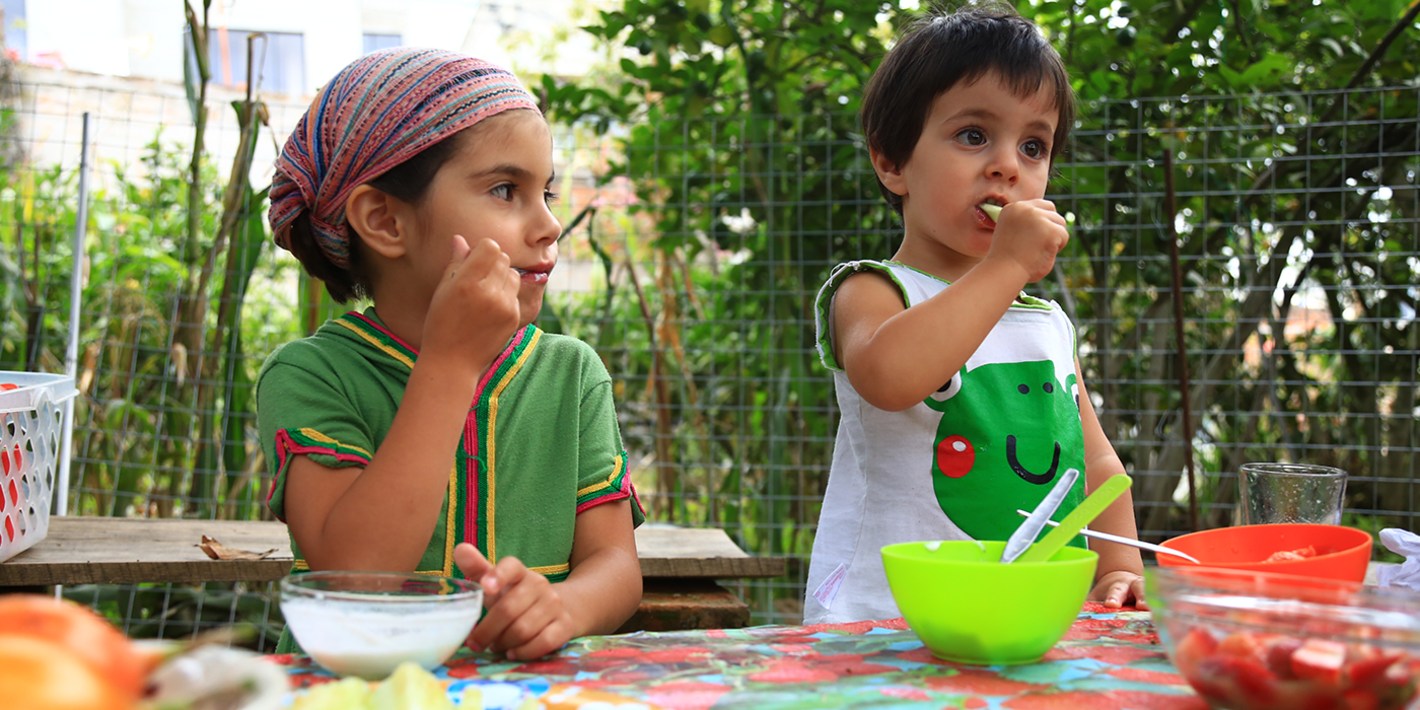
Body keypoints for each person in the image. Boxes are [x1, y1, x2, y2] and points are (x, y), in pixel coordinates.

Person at [259, 48, 644, 659]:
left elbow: (615, 563)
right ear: (385, 221)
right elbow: (355, 578)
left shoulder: (571, 374)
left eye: (545, 192)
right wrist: (451, 363)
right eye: (505, 190)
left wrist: (565, 606)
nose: (549, 225)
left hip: (525, 692)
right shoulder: (312, 374)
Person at [804, 3, 1147, 624]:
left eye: (1034, 146)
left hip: (1029, 614)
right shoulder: (874, 290)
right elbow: (890, 378)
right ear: (892, 162)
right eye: (973, 135)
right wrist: (1006, 266)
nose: (1007, 166)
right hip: (887, 621)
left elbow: (1095, 463)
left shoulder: (1047, 326)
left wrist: (1119, 566)